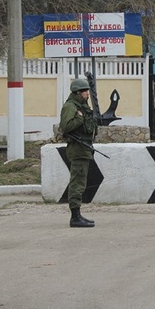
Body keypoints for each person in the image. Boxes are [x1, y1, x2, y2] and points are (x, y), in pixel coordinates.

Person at [59, 78, 99, 227]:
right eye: (85, 91)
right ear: (78, 92)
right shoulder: (71, 106)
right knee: (77, 183)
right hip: (77, 150)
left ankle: (78, 215)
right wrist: (80, 119)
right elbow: (65, 126)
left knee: (80, 182)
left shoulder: (81, 106)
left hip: (84, 149)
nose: (87, 94)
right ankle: (75, 217)